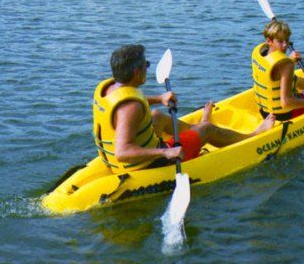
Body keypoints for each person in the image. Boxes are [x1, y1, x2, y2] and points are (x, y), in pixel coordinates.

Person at [93, 44, 274, 173]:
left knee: (157, 116)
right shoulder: (131, 108)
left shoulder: (110, 88)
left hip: (121, 161)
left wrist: (160, 98)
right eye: (146, 65)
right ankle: (252, 135)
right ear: (136, 72)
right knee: (207, 129)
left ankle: (196, 132)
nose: (148, 68)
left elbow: (128, 103)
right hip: (147, 164)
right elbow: (122, 152)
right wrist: (166, 152)